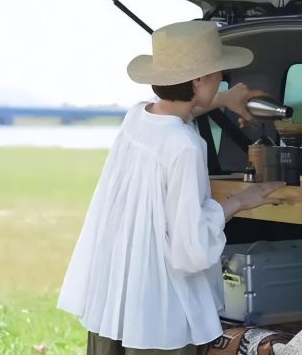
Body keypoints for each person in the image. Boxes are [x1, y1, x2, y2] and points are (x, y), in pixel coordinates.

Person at [57, 21, 284, 355]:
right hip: (159, 314)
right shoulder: (184, 148)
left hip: (116, 298)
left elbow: (177, 113)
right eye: (218, 72)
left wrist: (223, 99)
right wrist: (239, 202)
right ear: (199, 80)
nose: (222, 77)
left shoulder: (137, 118)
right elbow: (189, 247)